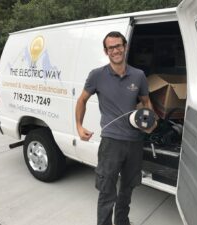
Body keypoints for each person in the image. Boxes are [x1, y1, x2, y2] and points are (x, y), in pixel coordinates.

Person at [75, 31, 156, 225]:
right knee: (107, 190)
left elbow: (146, 102)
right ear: (106, 51)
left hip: (135, 141)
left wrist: (151, 122)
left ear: (125, 47)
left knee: (128, 188)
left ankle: (122, 222)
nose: (115, 50)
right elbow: (82, 100)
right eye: (111, 47)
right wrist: (79, 126)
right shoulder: (97, 75)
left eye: (118, 46)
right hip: (111, 142)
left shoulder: (138, 75)